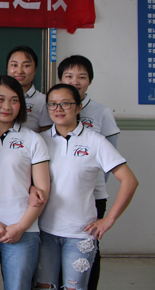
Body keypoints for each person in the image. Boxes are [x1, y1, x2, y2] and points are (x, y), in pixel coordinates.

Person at [34, 84, 138, 290]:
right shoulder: (39, 141)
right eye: (53, 104)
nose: (58, 109)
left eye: (65, 103)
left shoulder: (95, 141)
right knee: (44, 286)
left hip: (80, 233)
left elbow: (130, 181)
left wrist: (109, 219)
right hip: (44, 231)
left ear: (79, 107)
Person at [0, 75, 50, 290]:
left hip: (23, 229)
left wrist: (21, 227)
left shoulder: (33, 139)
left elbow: (43, 189)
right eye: (0, 99)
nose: (6, 106)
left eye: (14, 100)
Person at [58, 55, 121, 290]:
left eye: (81, 77)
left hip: (92, 196)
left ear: (90, 81)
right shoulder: (54, 106)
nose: (75, 81)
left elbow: (110, 159)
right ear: (61, 79)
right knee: (56, 247)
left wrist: (87, 185)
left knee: (88, 249)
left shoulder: (102, 112)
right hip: (59, 195)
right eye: (69, 76)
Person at [6, 45, 52, 132]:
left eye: (26, 65)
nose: (19, 71)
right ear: (7, 69)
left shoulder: (43, 101)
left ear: (35, 70)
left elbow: (46, 135)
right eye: (14, 65)